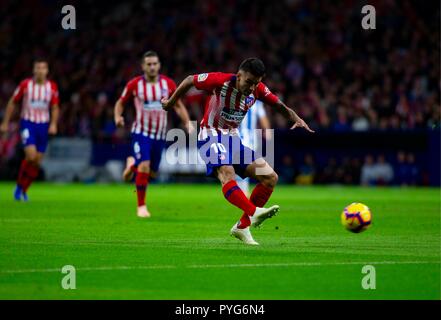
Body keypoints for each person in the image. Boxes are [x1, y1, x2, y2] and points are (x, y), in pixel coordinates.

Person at [162, 57, 314, 245]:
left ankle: (242, 227)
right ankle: (253, 212)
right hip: (210, 134)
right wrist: (170, 103)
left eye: (256, 83)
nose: (252, 87)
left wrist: (296, 118)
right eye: (249, 82)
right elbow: (189, 80)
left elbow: (278, 105)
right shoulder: (220, 80)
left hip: (233, 139)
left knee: (270, 178)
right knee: (227, 172)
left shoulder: (258, 89)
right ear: (239, 75)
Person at [114, 51, 192, 218]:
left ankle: (132, 163)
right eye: (148, 64)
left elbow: (177, 105)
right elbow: (120, 102)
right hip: (141, 132)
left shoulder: (168, 84)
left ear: (159, 65)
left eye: (154, 64)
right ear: (143, 66)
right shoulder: (135, 84)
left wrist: (187, 123)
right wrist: (117, 117)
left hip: (160, 135)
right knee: (145, 165)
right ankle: (141, 207)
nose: (152, 67)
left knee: (153, 173)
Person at [0, 59, 59, 201]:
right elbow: (13, 101)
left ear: (47, 71)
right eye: (37, 68)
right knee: (31, 156)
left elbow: (55, 107)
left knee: (37, 162)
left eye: (43, 68)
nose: (40, 71)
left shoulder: (52, 87)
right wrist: (5, 122)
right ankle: (19, 188)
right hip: (28, 123)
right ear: (34, 70)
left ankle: (23, 189)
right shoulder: (25, 85)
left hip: (43, 125)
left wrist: (53, 124)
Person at [237, 99, 270, 196]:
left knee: (241, 165)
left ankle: (242, 190)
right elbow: (263, 119)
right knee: (244, 165)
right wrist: (267, 131)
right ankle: (242, 190)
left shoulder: (235, 99)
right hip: (252, 139)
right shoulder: (257, 103)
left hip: (241, 137)